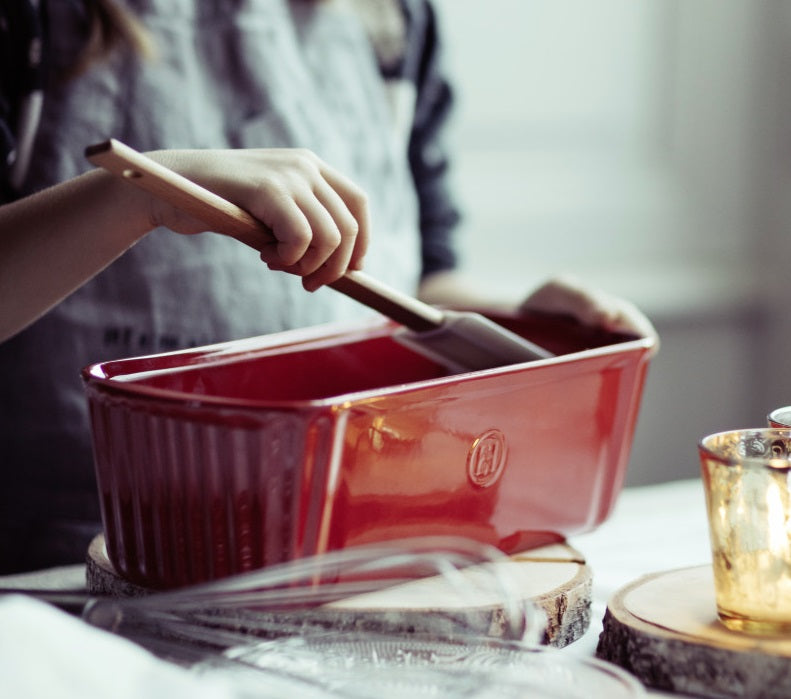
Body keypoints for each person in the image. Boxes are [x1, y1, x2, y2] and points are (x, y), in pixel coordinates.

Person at [0, 0, 656, 574]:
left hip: (351, 552)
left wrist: (516, 319)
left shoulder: (394, 18)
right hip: (64, 576)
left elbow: (421, 277)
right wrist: (132, 197)